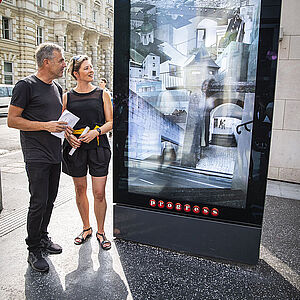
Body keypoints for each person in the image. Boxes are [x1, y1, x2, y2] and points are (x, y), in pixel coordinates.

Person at [7, 43, 71, 272]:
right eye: (61, 60)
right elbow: (12, 120)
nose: (65, 64)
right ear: (47, 62)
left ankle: (43, 238)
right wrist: (46, 126)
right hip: (36, 155)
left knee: (50, 200)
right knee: (38, 202)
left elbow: (55, 122)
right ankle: (33, 249)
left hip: (54, 153)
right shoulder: (25, 85)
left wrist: (66, 131)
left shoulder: (56, 88)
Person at [62, 55, 113, 250]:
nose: (91, 71)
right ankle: (86, 228)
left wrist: (96, 132)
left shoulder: (102, 94)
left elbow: (110, 122)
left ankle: (101, 231)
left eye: (91, 67)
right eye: (86, 68)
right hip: (76, 149)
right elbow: (62, 124)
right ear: (76, 74)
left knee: (99, 192)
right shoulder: (67, 97)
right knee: (80, 190)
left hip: (98, 146)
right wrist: (68, 136)